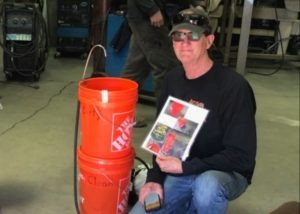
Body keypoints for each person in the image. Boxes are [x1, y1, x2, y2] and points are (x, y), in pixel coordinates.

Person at [129, 7, 257, 214]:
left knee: (207, 187)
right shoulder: (172, 80)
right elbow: (164, 139)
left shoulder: (234, 87)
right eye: (178, 36)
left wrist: (185, 168)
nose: (184, 43)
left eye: (194, 36)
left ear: (209, 40)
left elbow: (242, 156)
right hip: (184, 169)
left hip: (224, 173)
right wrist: (154, 179)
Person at [121, 0, 205, 127]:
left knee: (137, 66)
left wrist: (198, 4)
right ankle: (167, 121)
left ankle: (120, 115)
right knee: (166, 67)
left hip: (151, 14)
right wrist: (152, 9)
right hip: (148, 15)